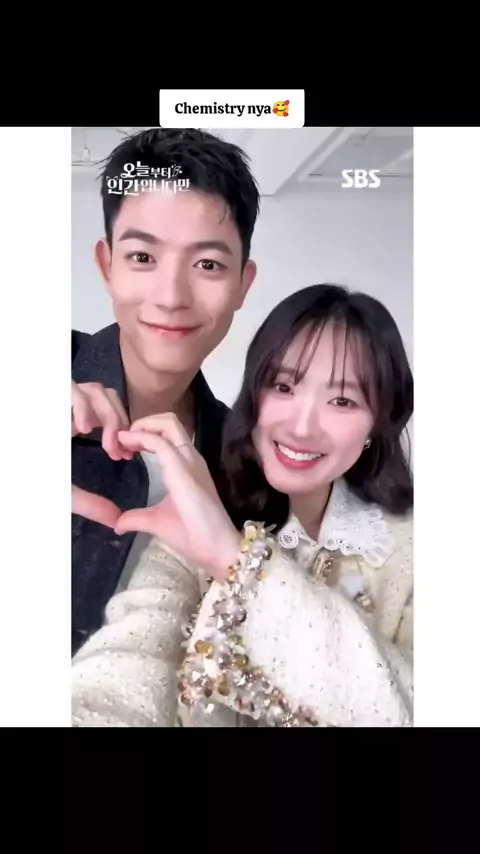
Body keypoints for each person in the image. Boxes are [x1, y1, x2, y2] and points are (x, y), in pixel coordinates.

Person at [71, 284, 413, 727]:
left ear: (377, 423)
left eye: (342, 401)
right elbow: (123, 669)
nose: (302, 427)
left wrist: (235, 560)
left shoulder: (411, 548)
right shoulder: (200, 517)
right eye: (283, 386)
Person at [71, 128, 260, 656]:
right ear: (107, 265)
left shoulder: (245, 457)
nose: (172, 297)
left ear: (243, 284)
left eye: (208, 265)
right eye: (142, 257)